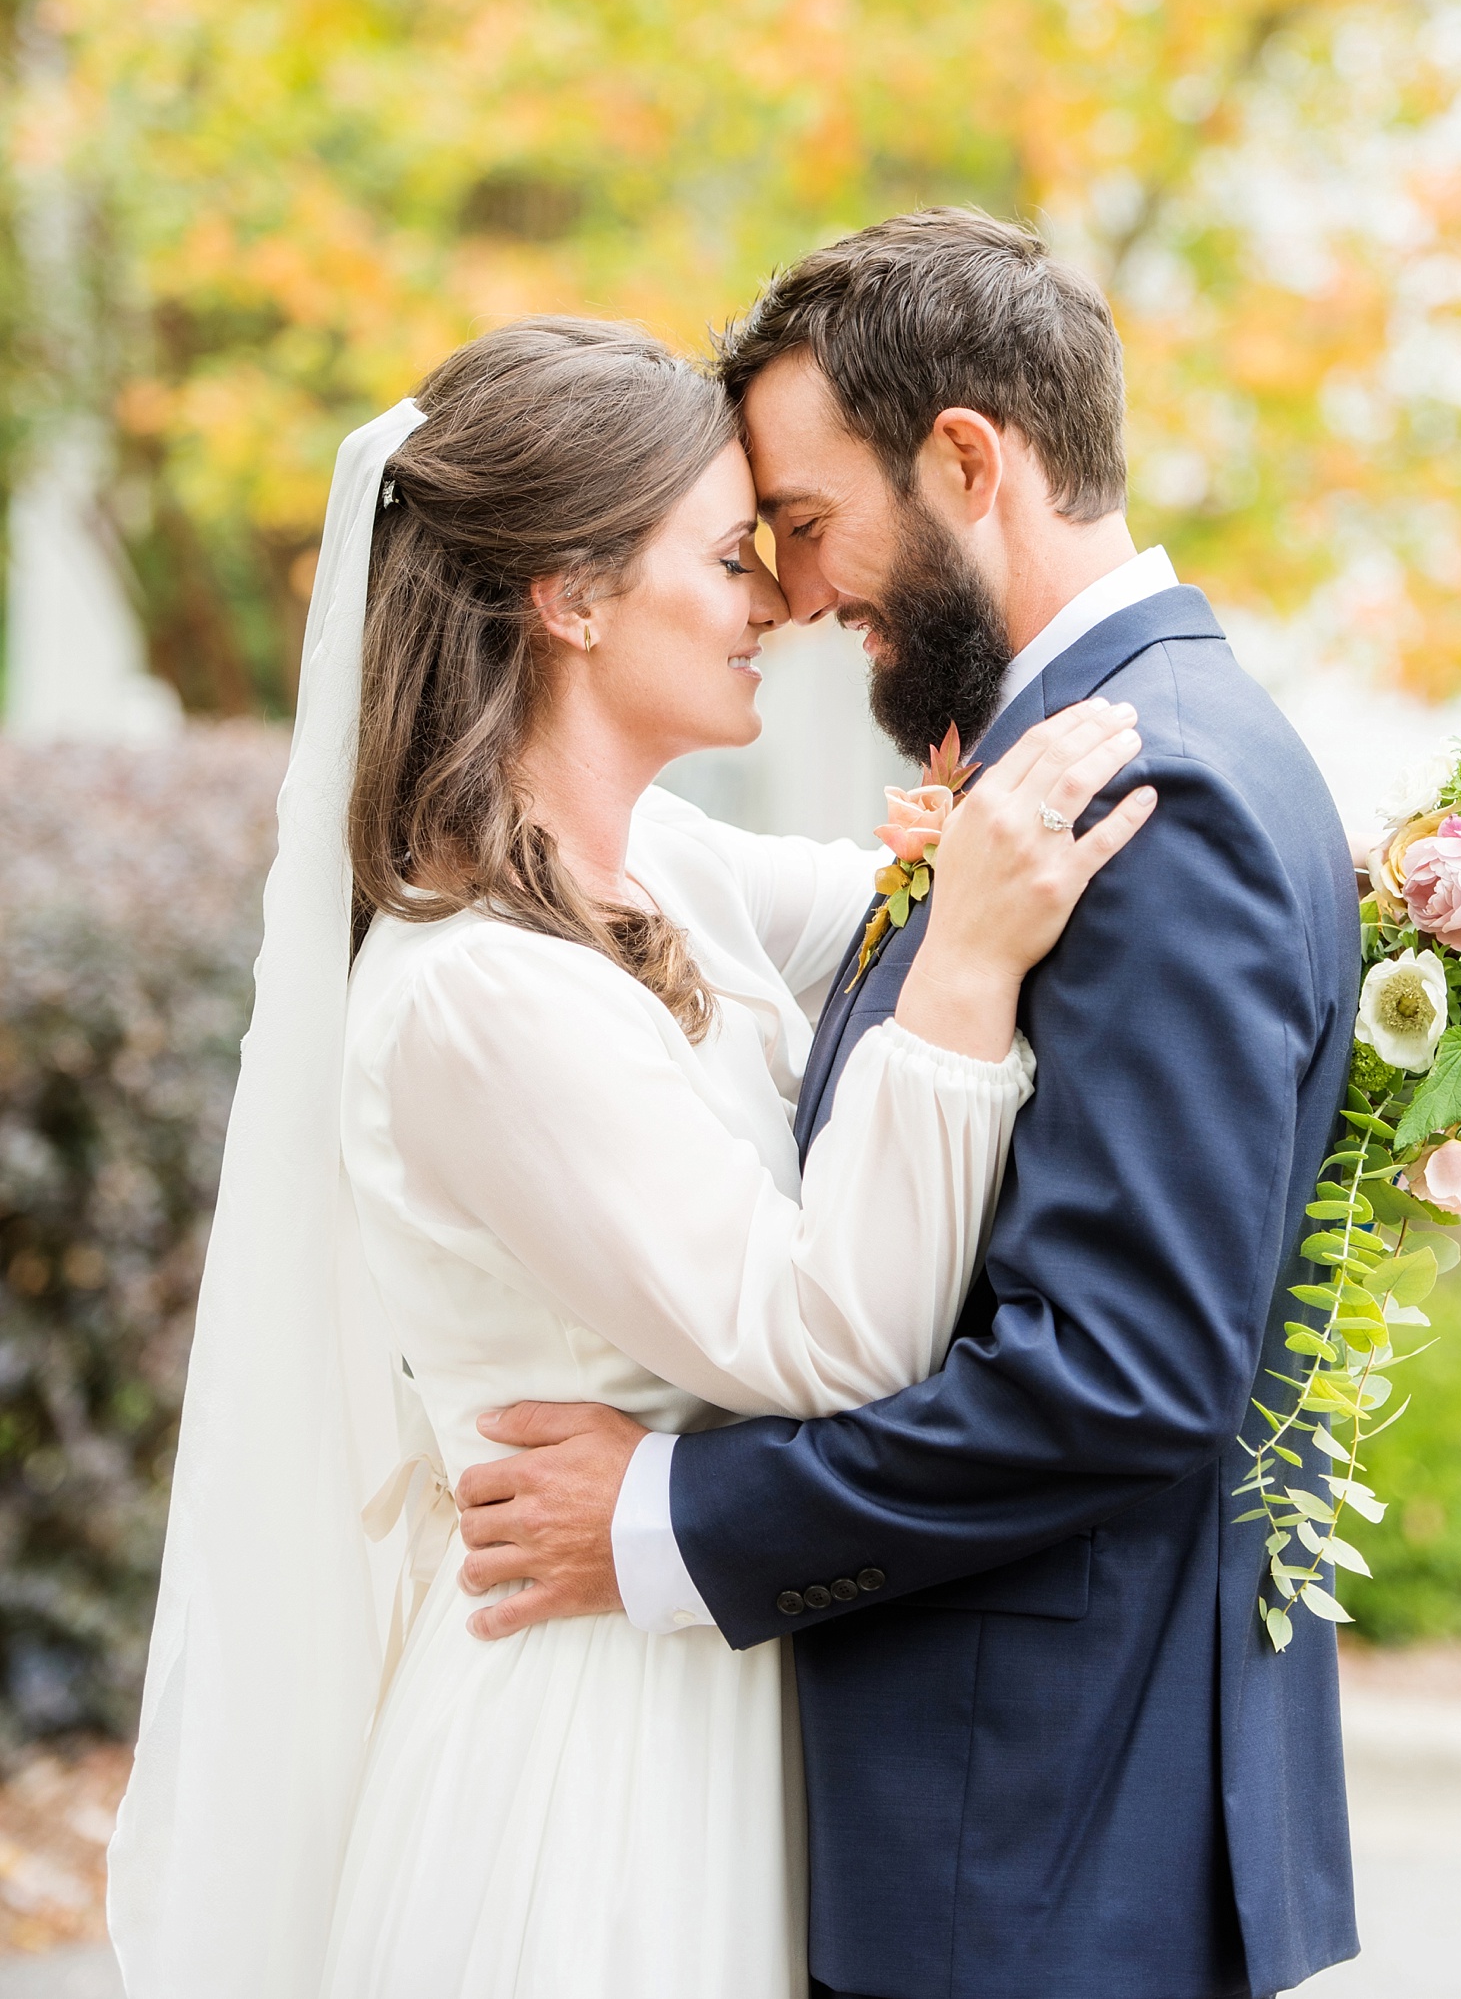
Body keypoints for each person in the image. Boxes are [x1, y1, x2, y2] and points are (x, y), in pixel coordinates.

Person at [106, 313, 1154, 1999]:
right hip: (592, 1766)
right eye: (731, 555)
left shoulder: (658, 860)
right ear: (571, 595)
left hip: (731, 1682)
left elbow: (935, 884)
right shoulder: (474, 992)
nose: (779, 602)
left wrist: (1454, 892)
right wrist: (961, 968)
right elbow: (830, 1336)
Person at [456, 211, 1364, 1999]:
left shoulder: (1137, 793)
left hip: (1031, 1844)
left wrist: (664, 1517)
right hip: (1023, 1833)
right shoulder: (1081, 760)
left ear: (967, 459)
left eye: (803, 523)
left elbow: (1117, 1377)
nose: (795, 595)